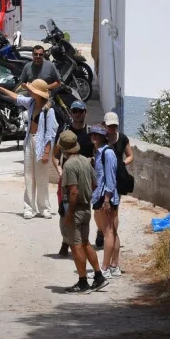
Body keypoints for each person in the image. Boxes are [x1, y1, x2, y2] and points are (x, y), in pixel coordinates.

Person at [0, 78, 56, 219]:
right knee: (29, 175)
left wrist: (46, 152)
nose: (30, 92)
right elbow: (16, 97)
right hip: (29, 141)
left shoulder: (48, 110)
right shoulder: (32, 102)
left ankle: (44, 208)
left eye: (32, 90)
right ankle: (29, 207)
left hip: (42, 144)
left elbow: (50, 134)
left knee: (42, 176)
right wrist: (1, 89)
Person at [57, 130, 106, 293]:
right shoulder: (86, 161)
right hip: (86, 208)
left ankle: (83, 281)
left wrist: (69, 214)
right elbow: (94, 183)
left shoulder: (69, 165)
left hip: (75, 210)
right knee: (85, 243)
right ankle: (98, 276)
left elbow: (73, 192)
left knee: (76, 245)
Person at [53, 101, 93, 256]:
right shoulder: (65, 132)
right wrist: (60, 170)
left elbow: (97, 154)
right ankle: (66, 240)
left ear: (85, 112)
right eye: (74, 111)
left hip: (84, 179)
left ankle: (80, 242)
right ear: (71, 112)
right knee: (64, 211)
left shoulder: (91, 133)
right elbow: (55, 156)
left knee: (82, 210)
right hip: (66, 179)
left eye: (80, 111)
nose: (77, 114)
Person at [97, 111, 136, 248]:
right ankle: (101, 230)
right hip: (102, 178)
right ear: (104, 125)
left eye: (114, 126)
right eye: (110, 126)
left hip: (116, 178)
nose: (112, 129)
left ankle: (112, 235)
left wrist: (122, 164)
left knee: (114, 208)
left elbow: (130, 155)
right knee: (99, 208)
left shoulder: (122, 138)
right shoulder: (101, 138)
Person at [89, 124, 122, 278]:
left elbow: (110, 178)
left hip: (106, 197)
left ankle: (105, 268)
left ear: (103, 136)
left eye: (97, 134)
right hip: (106, 196)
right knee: (113, 232)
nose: (93, 137)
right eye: (92, 134)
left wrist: (107, 199)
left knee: (108, 232)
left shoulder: (107, 153)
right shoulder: (101, 152)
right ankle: (114, 266)